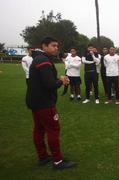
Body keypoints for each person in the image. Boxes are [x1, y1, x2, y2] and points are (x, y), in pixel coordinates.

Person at [26, 37, 76, 169]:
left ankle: (43, 157)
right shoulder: (43, 61)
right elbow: (49, 84)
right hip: (44, 103)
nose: (56, 48)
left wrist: (57, 79)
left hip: (35, 101)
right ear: (44, 46)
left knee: (39, 129)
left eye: (57, 46)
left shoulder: (39, 59)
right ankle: (58, 161)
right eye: (53, 45)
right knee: (53, 130)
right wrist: (61, 81)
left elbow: (45, 80)